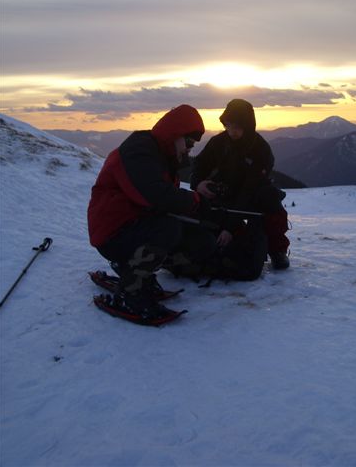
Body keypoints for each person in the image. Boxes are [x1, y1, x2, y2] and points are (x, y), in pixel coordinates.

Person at [87, 104, 217, 324]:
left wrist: (202, 212)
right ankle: (132, 293)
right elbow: (156, 196)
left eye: (192, 145)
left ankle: (135, 272)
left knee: (199, 239)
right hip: (112, 233)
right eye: (188, 143)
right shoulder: (138, 152)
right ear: (175, 135)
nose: (189, 149)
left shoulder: (163, 158)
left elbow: (166, 198)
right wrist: (196, 201)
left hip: (133, 225)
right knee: (167, 229)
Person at [190, 98, 290, 270]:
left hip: (253, 194)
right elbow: (200, 164)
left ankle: (277, 250)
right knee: (199, 205)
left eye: (236, 126)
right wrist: (198, 183)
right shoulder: (218, 143)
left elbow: (248, 189)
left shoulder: (260, 149)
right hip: (225, 192)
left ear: (247, 125)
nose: (231, 131)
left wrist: (230, 227)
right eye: (228, 125)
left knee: (272, 201)